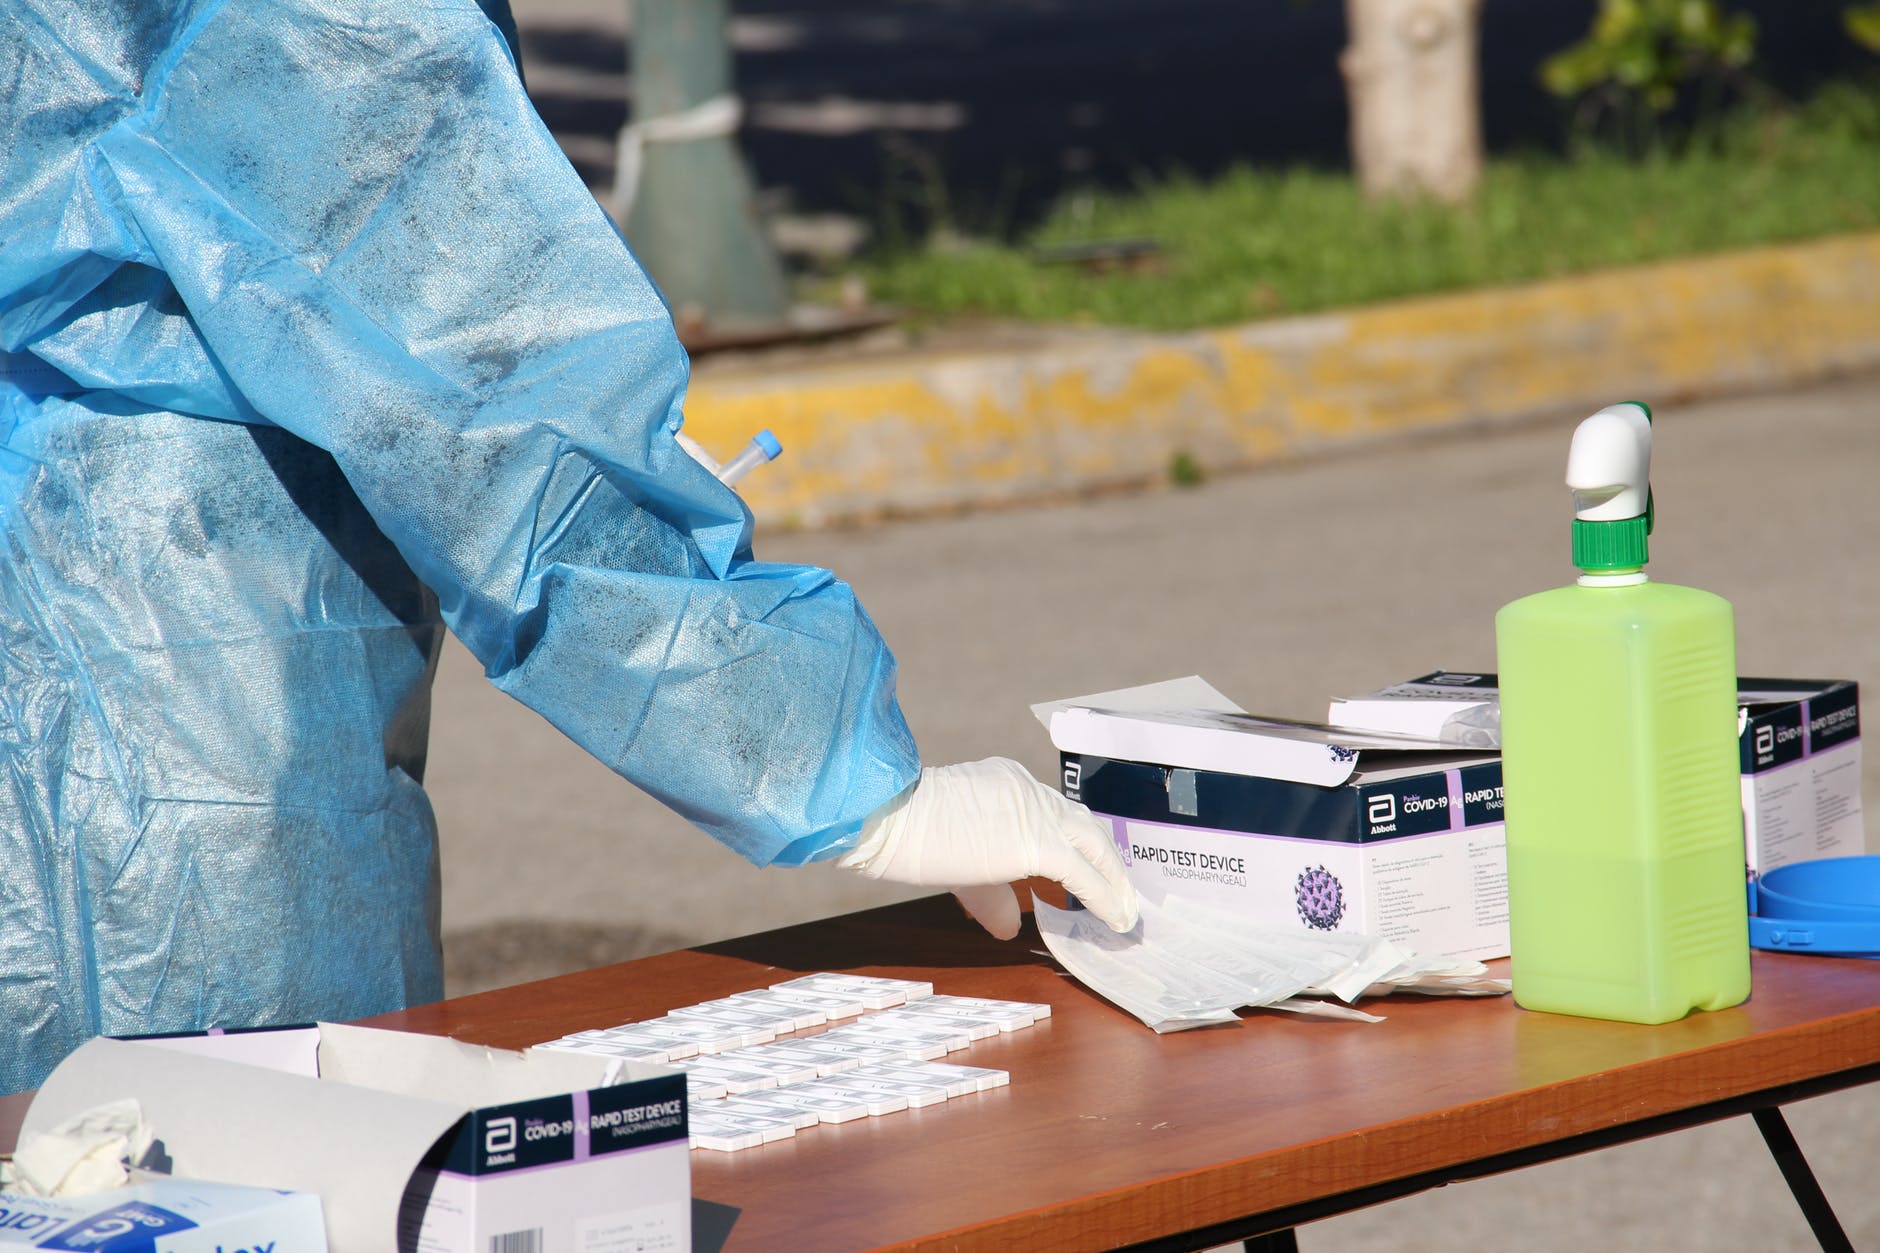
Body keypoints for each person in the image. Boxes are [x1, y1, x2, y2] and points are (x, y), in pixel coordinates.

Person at [0, 0, 1138, 1095]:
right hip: (157, 682)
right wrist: (836, 776)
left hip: (78, 595)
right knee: (235, 1149)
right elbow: (471, 369)